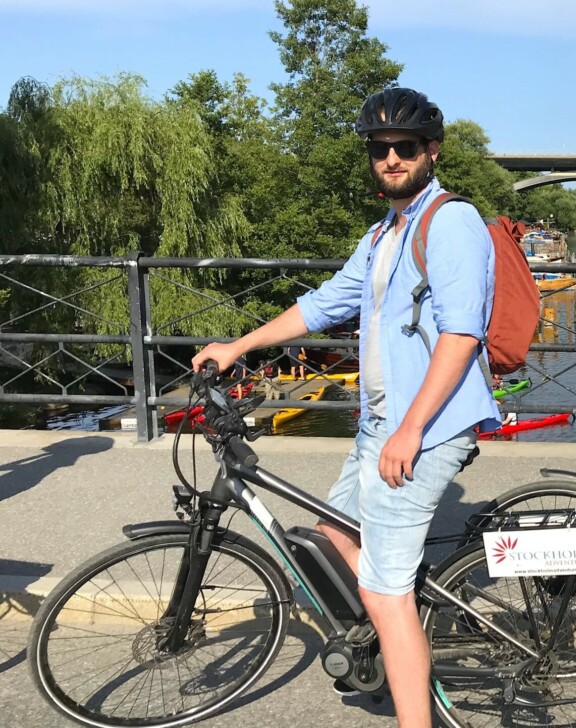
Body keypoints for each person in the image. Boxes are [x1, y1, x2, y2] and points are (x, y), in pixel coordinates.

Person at [192, 87, 500, 728]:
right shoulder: (387, 231)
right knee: (332, 535)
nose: (392, 158)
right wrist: (240, 343)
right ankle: (396, 633)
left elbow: (462, 333)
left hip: (427, 427)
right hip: (379, 424)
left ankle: (409, 679)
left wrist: (410, 430)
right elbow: (326, 303)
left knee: (383, 593)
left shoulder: (451, 222)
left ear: (430, 152)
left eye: (405, 148)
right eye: (381, 149)